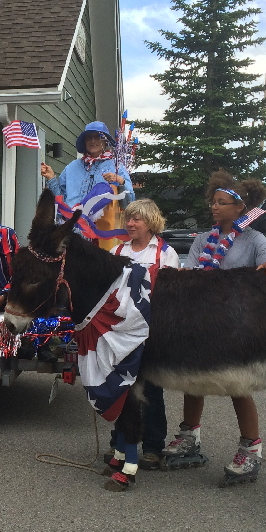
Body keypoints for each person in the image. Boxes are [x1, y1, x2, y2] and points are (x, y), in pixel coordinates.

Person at [167, 169, 266, 484]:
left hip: (237, 325)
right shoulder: (203, 239)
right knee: (192, 379)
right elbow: (192, 272)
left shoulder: (254, 239)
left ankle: (250, 449)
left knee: (237, 385)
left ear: (240, 208)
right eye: (213, 202)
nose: (214, 207)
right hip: (202, 321)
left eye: (221, 203)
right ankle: (189, 437)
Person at [104, 199, 179, 471]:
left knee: (151, 391)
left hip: (151, 331)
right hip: (121, 333)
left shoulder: (165, 253)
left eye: (137, 219)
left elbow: (170, 298)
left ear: (151, 222)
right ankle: (120, 443)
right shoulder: (117, 250)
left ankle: (153, 447)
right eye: (129, 218)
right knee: (122, 389)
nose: (130, 223)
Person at [40, 121, 135, 209]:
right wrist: (51, 178)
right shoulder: (72, 167)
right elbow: (59, 201)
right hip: (70, 220)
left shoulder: (117, 167)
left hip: (102, 221)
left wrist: (120, 181)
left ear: (105, 141)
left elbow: (129, 203)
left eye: (97, 137)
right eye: (89, 137)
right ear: (85, 142)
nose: (93, 141)